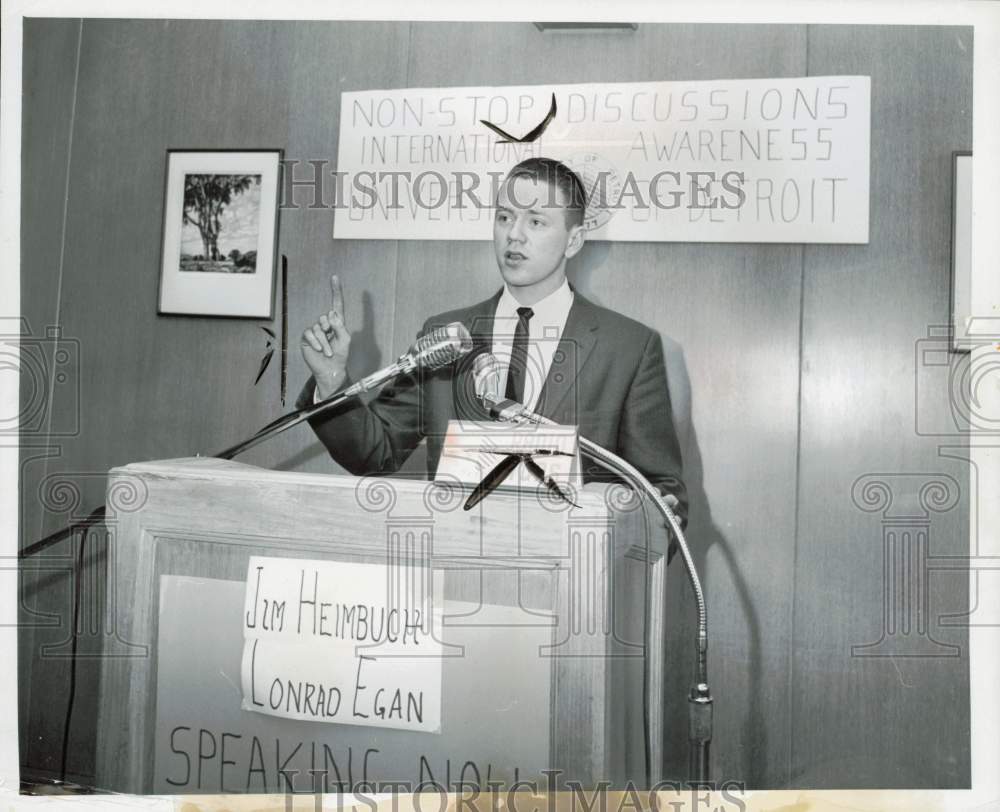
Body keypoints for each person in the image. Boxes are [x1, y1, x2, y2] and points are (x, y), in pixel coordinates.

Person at [298, 157, 688, 526]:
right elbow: (375, 453)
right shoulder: (445, 335)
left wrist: (651, 521)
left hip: (574, 580)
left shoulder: (629, 348)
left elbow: (663, 495)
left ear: (574, 240)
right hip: (452, 575)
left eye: (536, 222)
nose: (513, 235)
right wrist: (332, 383)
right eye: (505, 217)